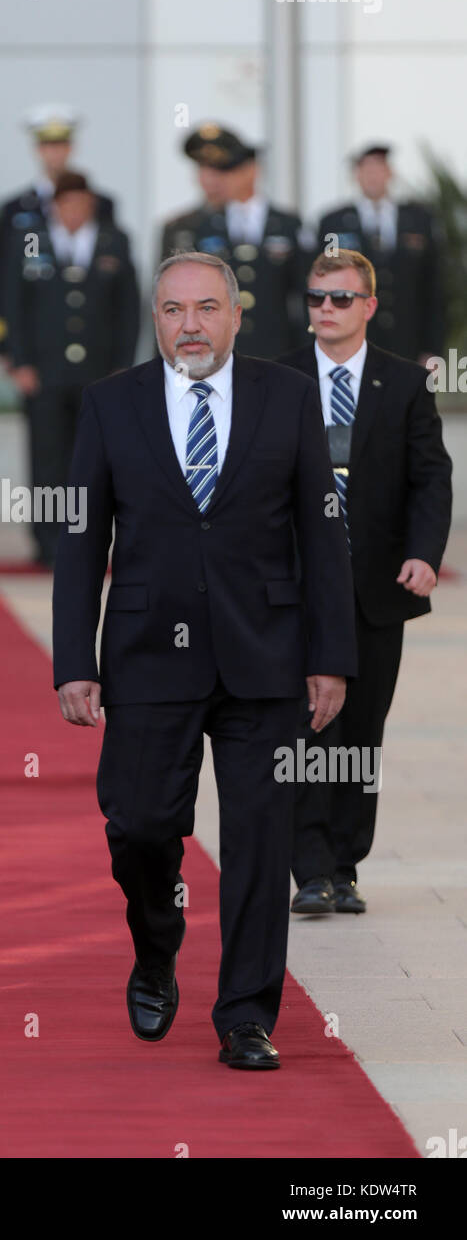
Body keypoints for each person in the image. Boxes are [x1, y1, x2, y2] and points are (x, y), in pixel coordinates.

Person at [52, 251, 356, 1069]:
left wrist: (330, 656)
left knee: (260, 838)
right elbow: (82, 541)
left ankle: (245, 1016)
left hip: (267, 655)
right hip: (148, 656)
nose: (190, 325)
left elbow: (322, 534)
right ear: (154, 319)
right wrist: (72, 660)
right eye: (173, 311)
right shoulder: (110, 404)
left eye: (206, 308)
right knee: (141, 824)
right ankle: (156, 947)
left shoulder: (287, 398)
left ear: (235, 314)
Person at [279, 249, 452, 915]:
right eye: (316, 298)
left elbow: (430, 478)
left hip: (376, 588)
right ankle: (310, 866)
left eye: (340, 298)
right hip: (293, 588)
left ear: (368, 307)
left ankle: (344, 865)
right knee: (303, 727)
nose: (325, 309)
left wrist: (423, 552)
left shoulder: (404, 383)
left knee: (359, 732)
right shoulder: (277, 378)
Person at [4, 170, 139, 567]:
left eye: (81, 203)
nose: (74, 211)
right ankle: (48, 544)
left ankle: (91, 541)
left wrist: (122, 366)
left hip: (99, 372)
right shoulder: (30, 242)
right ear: (55, 207)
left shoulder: (115, 240)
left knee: (96, 461)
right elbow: (14, 305)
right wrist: (21, 362)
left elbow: (128, 309)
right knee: (47, 458)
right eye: (66, 204)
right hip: (45, 372)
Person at [160, 123, 310, 359]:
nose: (214, 180)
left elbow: (304, 294)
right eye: (208, 170)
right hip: (216, 354)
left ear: (251, 170)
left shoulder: (288, 224)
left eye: (225, 170)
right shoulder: (195, 227)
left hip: (277, 351)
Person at [0, 105, 115, 363]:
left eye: (61, 145)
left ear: (72, 148)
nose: (55, 153)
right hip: (38, 343)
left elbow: (112, 277)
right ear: (37, 150)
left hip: (93, 343)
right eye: (48, 145)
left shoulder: (101, 205)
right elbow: (4, 279)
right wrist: (4, 344)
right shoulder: (14, 209)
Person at [317, 144, 445, 363]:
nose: (373, 177)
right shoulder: (334, 222)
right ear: (356, 176)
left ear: (390, 173)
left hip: (407, 340)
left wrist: (432, 348)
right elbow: (324, 285)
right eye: (366, 170)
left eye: (378, 169)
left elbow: (433, 287)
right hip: (354, 340)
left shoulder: (418, 219)